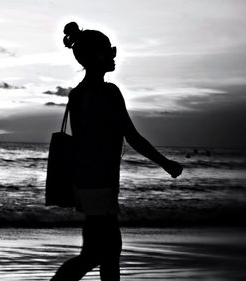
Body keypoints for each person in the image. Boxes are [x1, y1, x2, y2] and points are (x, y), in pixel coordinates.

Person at [50, 22, 183, 281]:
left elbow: (84, 142)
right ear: (95, 57)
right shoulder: (108, 93)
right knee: (102, 255)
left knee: (99, 253)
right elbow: (131, 135)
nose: (113, 57)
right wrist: (165, 163)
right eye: (109, 52)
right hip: (100, 183)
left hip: (85, 183)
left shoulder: (76, 95)